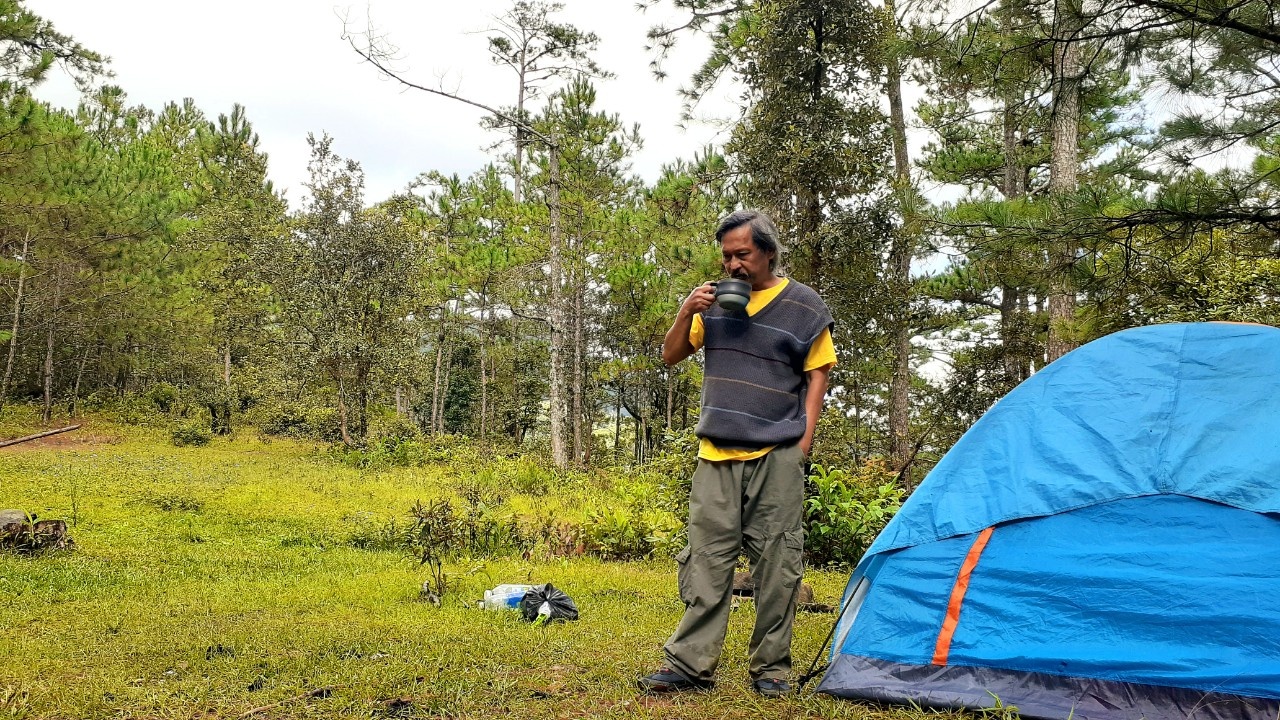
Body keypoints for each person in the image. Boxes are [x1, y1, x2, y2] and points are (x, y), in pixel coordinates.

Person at [638, 210, 836, 698]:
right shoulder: (712, 304)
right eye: (726, 255)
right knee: (705, 560)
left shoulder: (804, 306)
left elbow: (818, 374)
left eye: (742, 254)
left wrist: (803, 442)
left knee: (778, 563)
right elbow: (670, 355)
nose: (733, 265)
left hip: (777, 452)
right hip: (716, 452)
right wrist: (687, 310)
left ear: (767, 252)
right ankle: (689, 665)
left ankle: (771, 669)